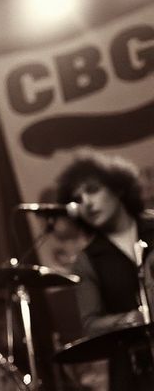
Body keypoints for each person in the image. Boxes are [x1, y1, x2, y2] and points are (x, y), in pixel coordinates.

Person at [56, 151, 154, 390]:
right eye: (78, 199)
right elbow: (90, 324)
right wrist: (132, 319)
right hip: (134, 369)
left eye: (92, 190)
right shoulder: (86, 260)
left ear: (118, 188)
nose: (86, 203)